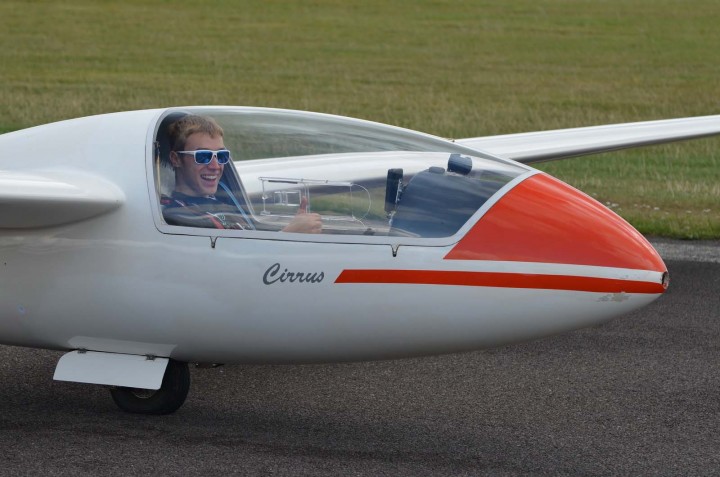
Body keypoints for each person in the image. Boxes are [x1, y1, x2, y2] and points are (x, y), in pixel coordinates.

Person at [161, 115, 322, 233]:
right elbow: (228, 263)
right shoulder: (176, 217)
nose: (215, 166)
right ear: (176, 159)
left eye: (221, 156)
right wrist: (289, 233)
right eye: (203, 156)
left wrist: (294, 227)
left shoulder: (224, 206)